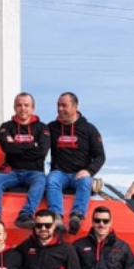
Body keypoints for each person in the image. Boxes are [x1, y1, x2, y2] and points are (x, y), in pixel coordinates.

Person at [0, 92, 50, 230]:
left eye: (26, 105)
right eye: (19, 105)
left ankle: (26, 216)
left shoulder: (42, 128)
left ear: (33, 108)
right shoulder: (6, 126)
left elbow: (42, 152)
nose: (23, 108)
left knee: (41, 181)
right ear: (14, 107)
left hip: (34, 172)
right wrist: (32, 145)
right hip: (12, 171)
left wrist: (17, 146)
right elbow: (8, 148)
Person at [45, 92, 105, 235]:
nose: (60, 109)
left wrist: (89, 171)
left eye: (64, 105)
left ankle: (77, 216)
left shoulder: (89, 129)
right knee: (51, 181)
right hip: (59, 173)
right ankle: (57, 217)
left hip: (80, 173)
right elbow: (39, 149)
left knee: (86, 182)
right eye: (58, 105)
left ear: (75, 106)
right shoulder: (51, 128)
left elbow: (100, 156)